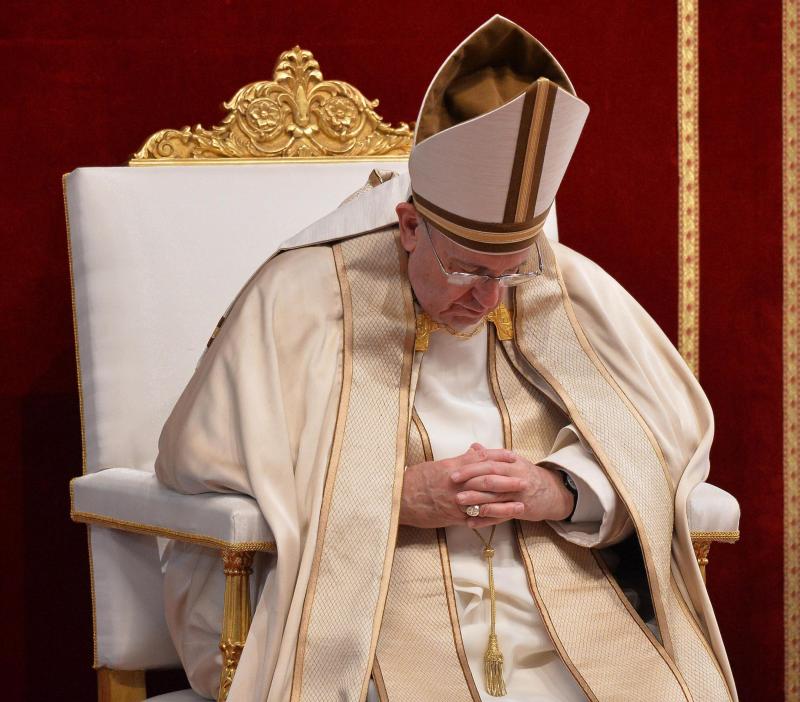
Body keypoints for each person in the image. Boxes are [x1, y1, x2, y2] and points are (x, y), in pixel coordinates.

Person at [155, 15, 738, 702]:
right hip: (374, 599)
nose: (489, 299)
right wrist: (392, 496)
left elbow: (664, 433)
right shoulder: (305, 296)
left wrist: (561, 489)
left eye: (510, 273)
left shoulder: (559, 281)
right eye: (465, 271)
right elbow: (197, 464)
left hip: (555, 590)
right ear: (408, 227)